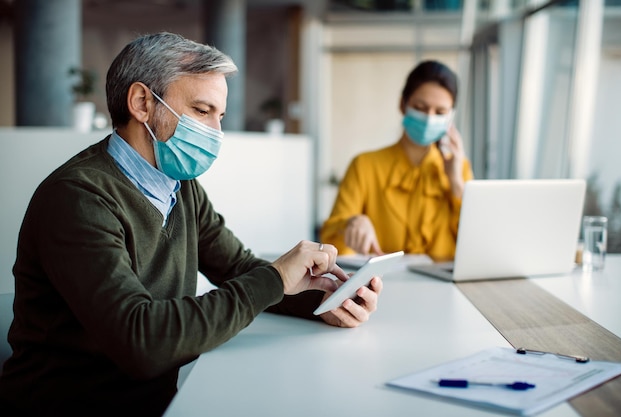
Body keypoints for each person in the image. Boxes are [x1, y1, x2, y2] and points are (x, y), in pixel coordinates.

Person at [0, 32, 382, 417]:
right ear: (142, 103)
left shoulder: (180, 188)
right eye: (202, 111)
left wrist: (326, 298)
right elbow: (142, 341)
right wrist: (276, 278)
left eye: (219, 116)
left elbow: (237, 268)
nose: (215, 133)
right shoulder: (78, 198)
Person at [320, 60, 474, 261]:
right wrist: (351, 223)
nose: (429, 119)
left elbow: (475, 246)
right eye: (420, 107)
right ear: (403, 104)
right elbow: (330, 241)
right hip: (380, 286)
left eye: (440, 112)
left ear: (451, 116)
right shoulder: (364, 166)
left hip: (445, 287)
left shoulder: (459, 168)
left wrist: (455, 183)